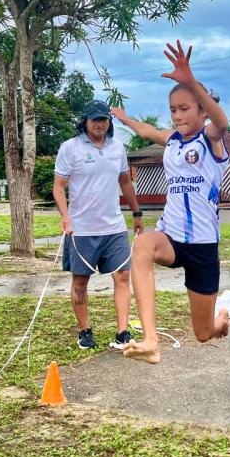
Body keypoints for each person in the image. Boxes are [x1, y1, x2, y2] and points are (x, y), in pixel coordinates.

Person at [111, 40, 230, 364]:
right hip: (172, 235)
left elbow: (223, 124)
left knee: (203, 333)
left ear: (202, 110)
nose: (177, 116)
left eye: (185, 108)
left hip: (204, 245)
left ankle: (221, 322)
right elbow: (148, 131)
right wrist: (123, 118)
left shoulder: (210, 139)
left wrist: (191, 82)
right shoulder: (173, 140)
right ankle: (150, 340)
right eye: (173, 110)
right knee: (142, 245)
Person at [53, 100, 143, 350]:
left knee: (123, 276)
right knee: (80, 282)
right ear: (85, 121)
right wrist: (65, 215)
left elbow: (125, 183)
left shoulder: (117, 148)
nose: (100, 123)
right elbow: (58, 186)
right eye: (95, 119)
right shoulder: (70, 148)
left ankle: (123, 332)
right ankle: (84, 331)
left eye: (104, 119)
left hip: (113, 227)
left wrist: (136, 212)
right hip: (81, 229)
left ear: (109, 121)